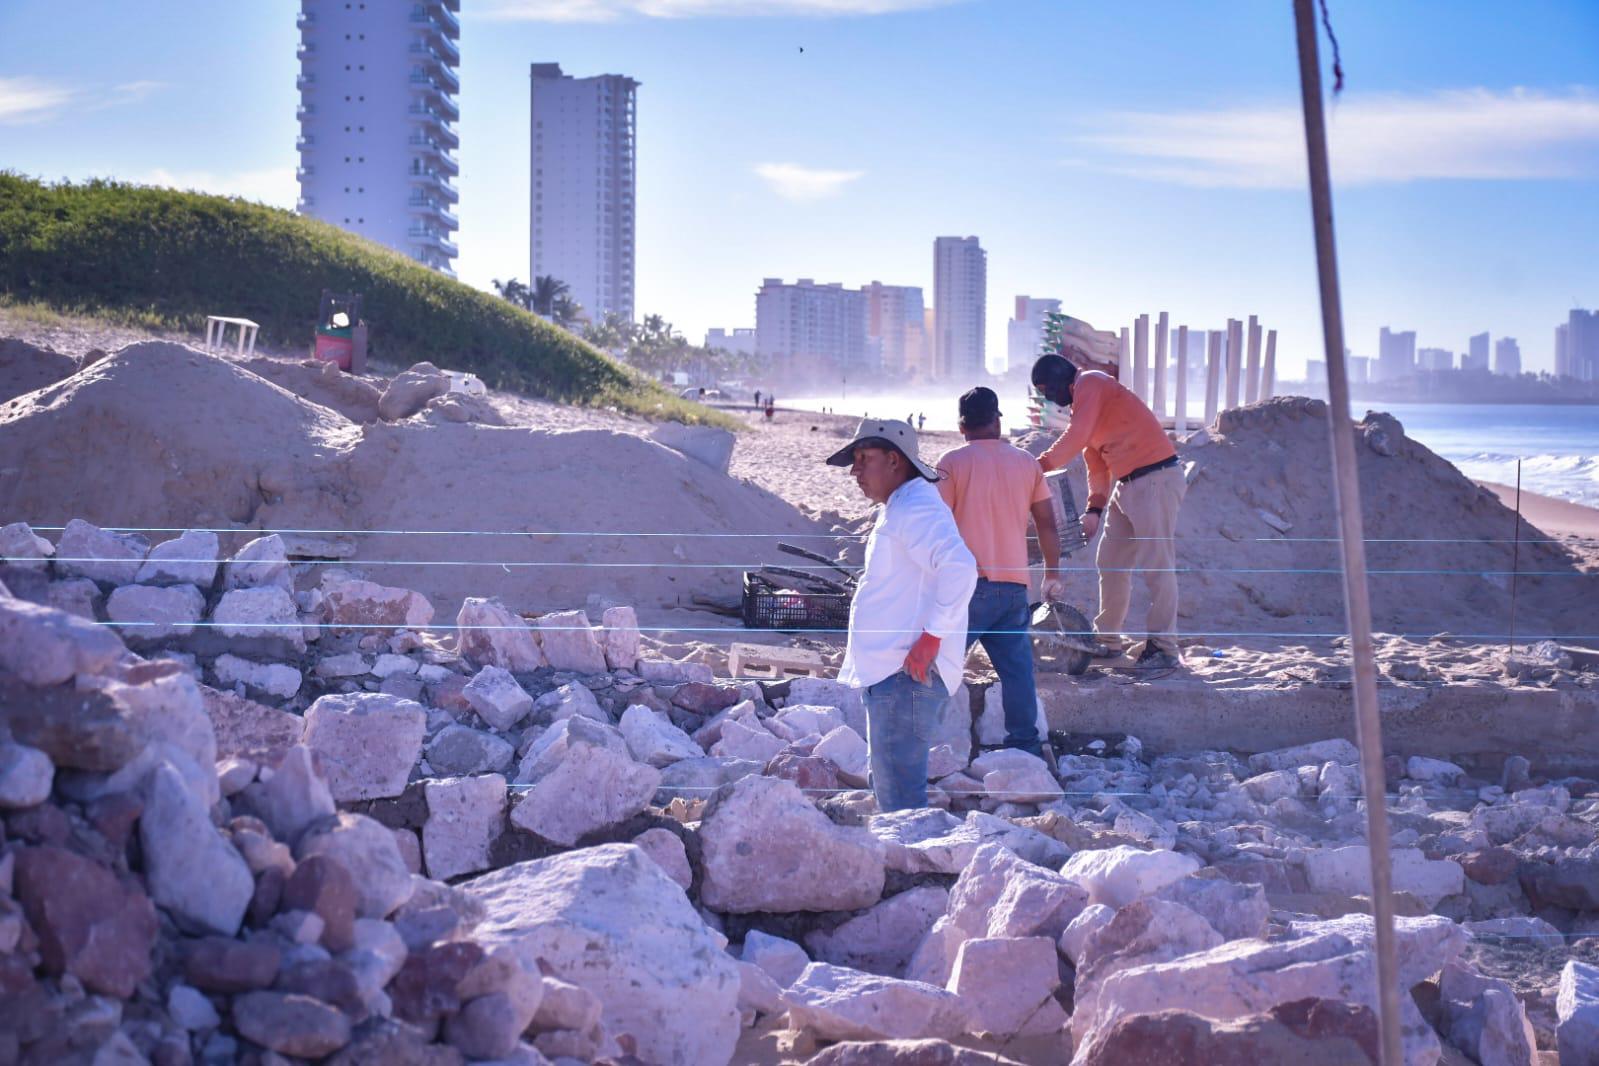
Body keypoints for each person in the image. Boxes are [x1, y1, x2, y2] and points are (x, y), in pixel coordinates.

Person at [828, 418, 976, 811]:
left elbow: (960, 568)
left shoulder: (914, 507)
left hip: (905, 674)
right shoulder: (903, 504)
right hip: (896, 674)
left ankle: (911, 864)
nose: (855, 471)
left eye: (864, 459)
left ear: (895, 461)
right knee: (891, 790)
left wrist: (931, 639)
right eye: (854, 462)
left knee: (900, 803)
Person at [1031, 353, 1186, 670]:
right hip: (1127, 484)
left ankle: (1164, 648)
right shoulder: (1083, 408)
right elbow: (1096, 468)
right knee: (1110, 561)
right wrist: (1094, 510)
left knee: (1157, 564)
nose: (1051, 400)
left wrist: (1037, 467)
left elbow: (1075, 437)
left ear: (1062, 377)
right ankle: (1109, 640)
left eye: (1048, 390)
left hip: (1155, 478)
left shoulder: (1090, 382)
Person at [936, 387, 1061, 755]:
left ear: (962, 426)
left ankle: (928, 745)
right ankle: (1026, 749)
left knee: (940, 667)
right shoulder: (1026, 462)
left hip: (967, 587)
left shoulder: (952, 462)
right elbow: (1047, 525)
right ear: (998, 420)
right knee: (1017, 673)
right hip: (1012, 587)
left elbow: (936, 524)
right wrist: (1053, 574)